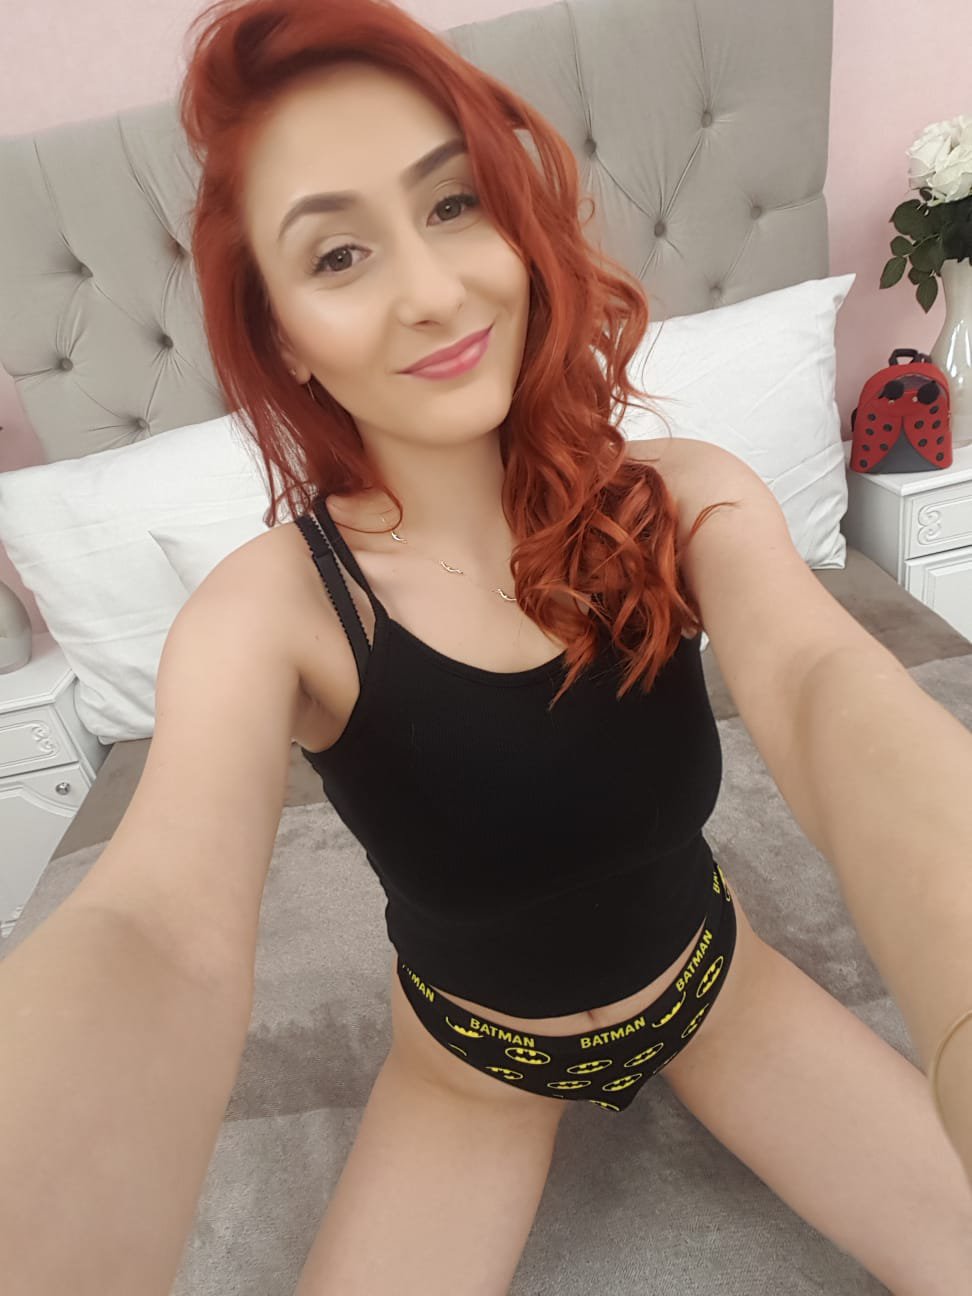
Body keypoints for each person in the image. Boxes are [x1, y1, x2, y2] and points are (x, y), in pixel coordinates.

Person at [2, 1, 971, 1293]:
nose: (431, 291)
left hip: (712, 986)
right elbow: (158, 922)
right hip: (475, 1063)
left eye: (453, 204)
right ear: (283, 334)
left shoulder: (683, 498)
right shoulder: (267, 614)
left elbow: (820, 683)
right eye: (339, 255)